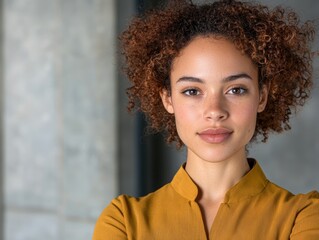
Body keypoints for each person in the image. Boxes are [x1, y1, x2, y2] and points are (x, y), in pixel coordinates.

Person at [93, 0, 319, 239]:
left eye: (236, 90)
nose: (214, 111)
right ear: (167, 99)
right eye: (192, 91)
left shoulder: (303, 217)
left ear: (261, 97)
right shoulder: (124, 221)